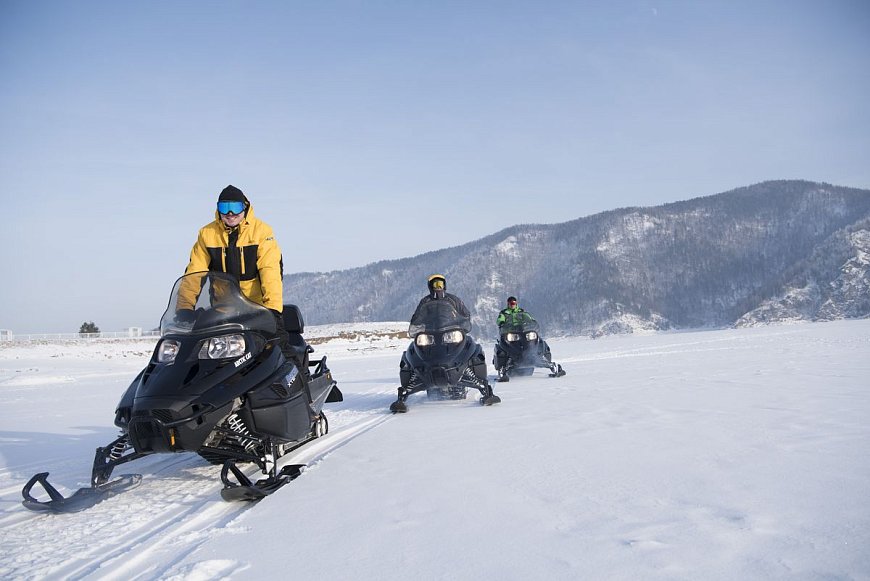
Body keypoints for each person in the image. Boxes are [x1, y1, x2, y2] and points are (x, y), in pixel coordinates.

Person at [179, 185, 294, 359]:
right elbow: (195, 272)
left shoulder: (262, 231)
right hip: (224, 310)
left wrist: (273, 309)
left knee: (279, 350)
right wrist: (184, 307)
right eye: (225, 208)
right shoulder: (207, 234)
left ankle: (299, 381)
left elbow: (270, 271)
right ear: (218, 209)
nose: (231, 213)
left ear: (245, 207)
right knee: (204, 356)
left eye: (236, 207)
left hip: (258, 309)